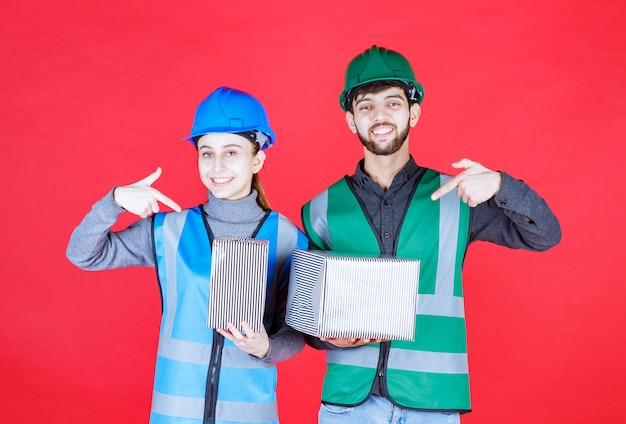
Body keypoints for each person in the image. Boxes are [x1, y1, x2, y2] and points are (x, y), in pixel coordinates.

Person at [300, 46, 562, 424]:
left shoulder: (459, 196)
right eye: (366, 106)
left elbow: (546, 235)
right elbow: (307, 316)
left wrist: (501, 184)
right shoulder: (320, 209)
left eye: (392, 103)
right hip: (347, 405)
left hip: (432, 403)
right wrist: (325, 337)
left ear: (414, 112)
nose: (379, 116)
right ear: (350, 120)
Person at [66, 86, 309, 424]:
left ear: (257, 158)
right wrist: (115, 200)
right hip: (176, 415)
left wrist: (266, 348)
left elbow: (296, 333)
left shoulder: (288, 238)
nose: (217, 166)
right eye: (206, 153)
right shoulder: (169, 230)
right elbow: (83, 255)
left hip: (249, 414)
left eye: (231, 152)